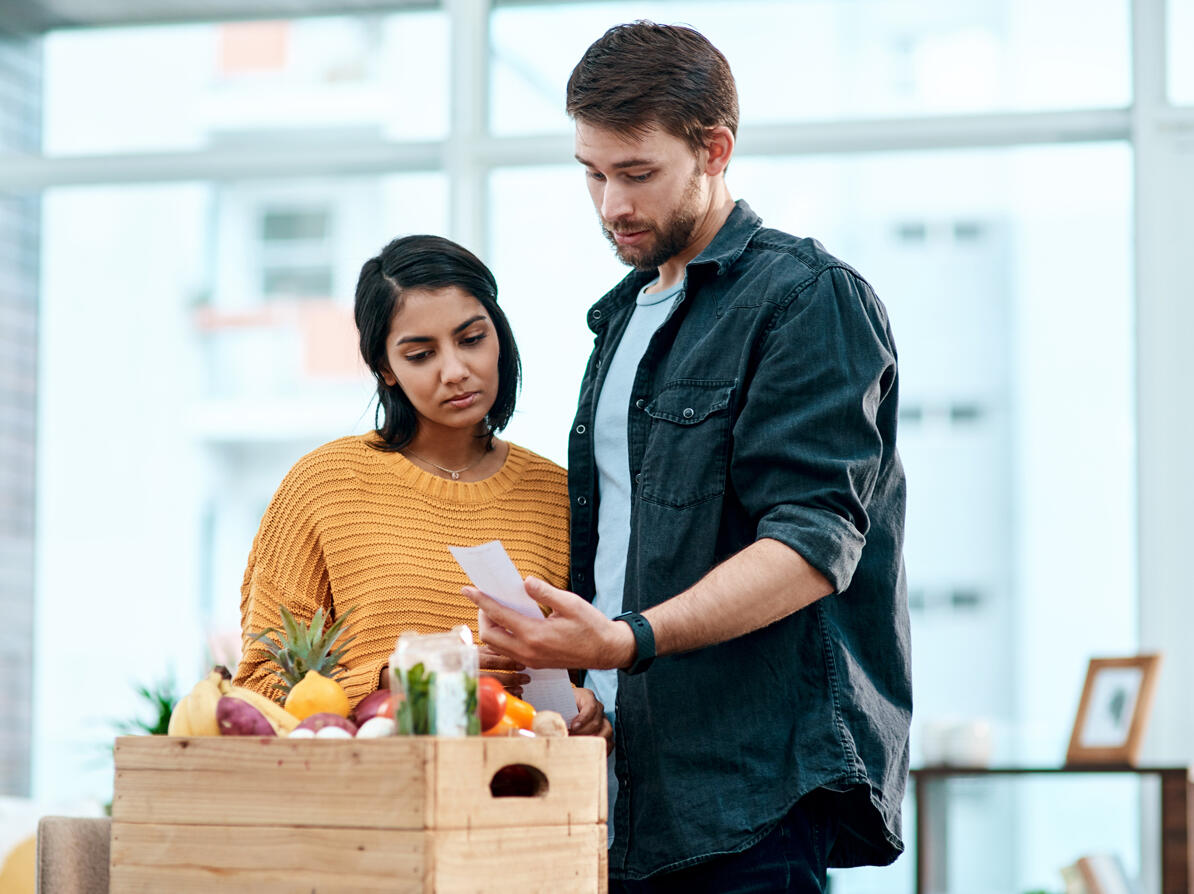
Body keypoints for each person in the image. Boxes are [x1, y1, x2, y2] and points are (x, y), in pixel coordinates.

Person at [464, 21, 910, 893]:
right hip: (623, 785)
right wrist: (579, 676)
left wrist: (630, 640)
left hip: (752, 796)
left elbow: (814, 546)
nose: (611, 207)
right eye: (592, 174)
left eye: (637, 175)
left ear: (715, 149)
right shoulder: (621, 320)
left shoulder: (808, 300)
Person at [233, 234, 608, 740]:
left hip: (521, 799)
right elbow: (260, 688)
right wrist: (399, 682)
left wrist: (590, 710)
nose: (455, 371)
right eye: (420, 354)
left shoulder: (561, 495)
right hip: (375, 801)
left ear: (498, 334)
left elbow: (595, 661)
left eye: (472, 339)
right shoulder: (322, 486)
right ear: (385, 367)